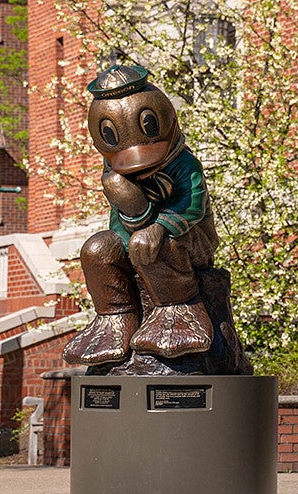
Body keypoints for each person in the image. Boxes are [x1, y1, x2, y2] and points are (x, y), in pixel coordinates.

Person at [63, 64, 218, 365]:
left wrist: (157, 227)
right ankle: (114, 316)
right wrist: (126, 211)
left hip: (189, 244)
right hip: (139, 242)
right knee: (97, 249)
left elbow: (192, 205)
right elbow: (120, 225)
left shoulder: (184, 164)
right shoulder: (116, 174)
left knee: (149, 243)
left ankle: (178, 310)